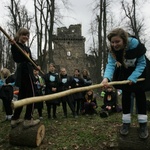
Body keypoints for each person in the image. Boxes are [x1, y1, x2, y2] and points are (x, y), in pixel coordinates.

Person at [101, 28, 148, 139]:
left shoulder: (136, 45)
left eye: (117, 42)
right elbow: (111, 65)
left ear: (124, 40)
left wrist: (133, 77)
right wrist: (106, 78)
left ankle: (143, 125)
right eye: (112, 42)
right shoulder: (112, 50)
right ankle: (126, 123)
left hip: (139, 71)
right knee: (126, 95)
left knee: (140, 95)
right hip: (125, 71)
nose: (115, 44)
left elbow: (142, 64)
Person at [10, 27, 40, 128]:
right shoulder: (16, 45)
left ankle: (15, 118)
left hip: (28, 70)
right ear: (19, 35)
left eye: (27, 35)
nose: (26, 37)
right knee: (31, 94)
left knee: (22, 96)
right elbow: (17, 59)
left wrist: (36, 65)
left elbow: (30, 59)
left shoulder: (27, 48)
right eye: (24, 35)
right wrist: (13, 46)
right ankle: (28, 119)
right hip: (23, 73)